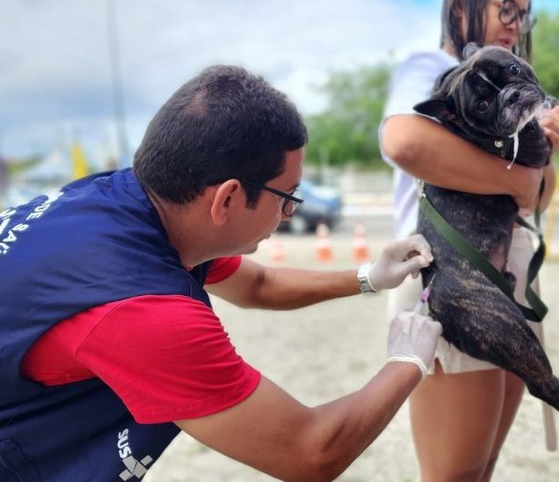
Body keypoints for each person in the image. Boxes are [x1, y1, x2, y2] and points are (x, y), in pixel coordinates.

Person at [0, 65, 443, 481]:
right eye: (286, 195)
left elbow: (258, 284)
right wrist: (406, 362)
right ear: (226, 199)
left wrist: (368, 276)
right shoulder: (140, 311)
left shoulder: (126, 201)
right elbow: (310, 451)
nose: (289, 213)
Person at [379, 0, 559, 479]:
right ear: (463, 4)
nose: (515, 22)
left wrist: (543, 151)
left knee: (480, 468)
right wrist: (516, 181)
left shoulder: (508, 94)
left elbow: (536, 199)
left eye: (523, 13)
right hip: (449, 281)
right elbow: (403, 140)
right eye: (504, 6)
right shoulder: (432, 64)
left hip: (505, 279)